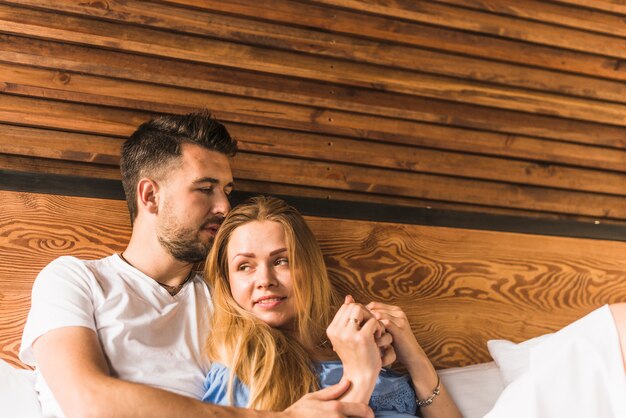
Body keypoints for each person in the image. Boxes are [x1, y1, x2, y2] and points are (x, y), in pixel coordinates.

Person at [19, 111, 374, 418]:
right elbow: (88, 402)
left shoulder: (227, 296)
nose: (224, 207)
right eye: (206, 189)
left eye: (227, 191)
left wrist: (367, 345)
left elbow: (298, 352)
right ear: (150, 195)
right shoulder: (75, 280)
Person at [201, 195, 462, 418]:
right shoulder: (239, 371)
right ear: (227, 281)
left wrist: (414, 357)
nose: (265, 281)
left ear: (310, 267)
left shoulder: (358, 345)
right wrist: (359, 374)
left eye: (282, 261)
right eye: (245, 266)